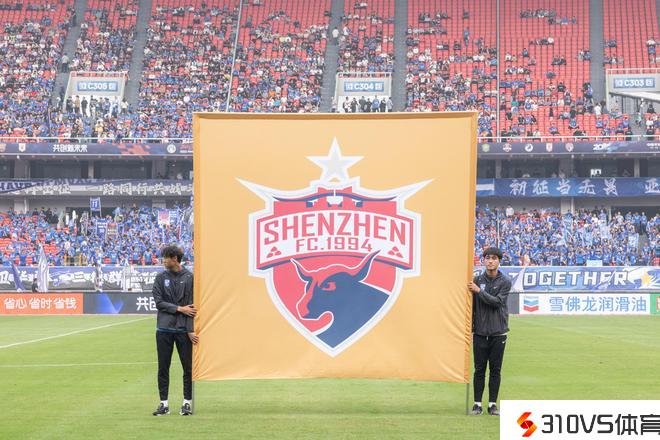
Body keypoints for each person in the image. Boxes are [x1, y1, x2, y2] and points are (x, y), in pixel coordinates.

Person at [152, 245, 197, 416]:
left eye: (165, 258)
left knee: (188, 368)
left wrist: (190, 329)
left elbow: (192, 307)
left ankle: (186, 403)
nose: (163, 261)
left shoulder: (190, 277)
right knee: (163, 367)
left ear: (174, 259)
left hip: (183, 330)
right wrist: (179, 308)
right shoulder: (160, 278)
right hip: (163, 329)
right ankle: (164, 404)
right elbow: (159, 303)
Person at [467, 247, 512, 416]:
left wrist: (479, 291)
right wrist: (470, 328)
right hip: (480, 332)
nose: (490, 261)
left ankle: (492, 404)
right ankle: (477, 404)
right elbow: (471, 306)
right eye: (487, 258)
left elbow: (497, 302)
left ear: (499, 261)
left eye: (494, 258)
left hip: (498, 332)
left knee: (495, 370)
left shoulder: (505, 282)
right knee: (479, 370)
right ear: (483, 260)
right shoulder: (477, 280)